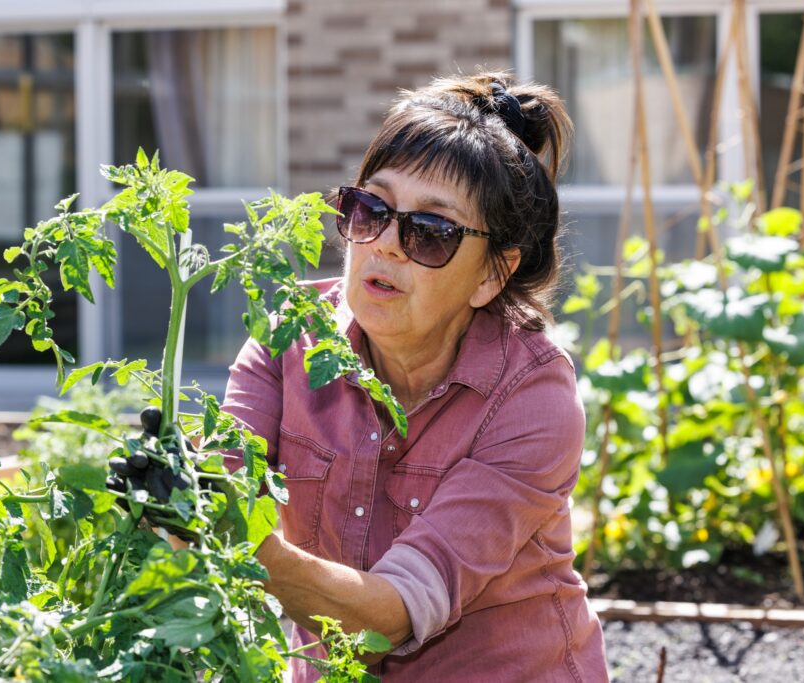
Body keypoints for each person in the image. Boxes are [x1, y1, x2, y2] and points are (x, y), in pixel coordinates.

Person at [220, 71, 609, 681]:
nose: (386, 246)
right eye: (371, 209)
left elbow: (397, 613)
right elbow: (223, 481)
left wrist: (241, 548)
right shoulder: (286, 339)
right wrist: (175, 494)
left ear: (493, 274)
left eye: (431, 233)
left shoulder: (532, 397)